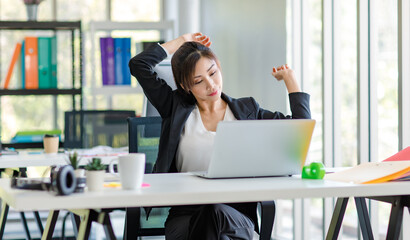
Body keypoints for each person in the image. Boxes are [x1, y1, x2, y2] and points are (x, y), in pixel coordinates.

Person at [129, 32, 311, 240]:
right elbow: (139, 65)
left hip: (236, 216)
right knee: (210, 218)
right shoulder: (175, 108)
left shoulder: (248, 110)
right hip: (186, 215)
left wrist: (290, 79)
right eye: (198, 81)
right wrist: (181, 42)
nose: (211, 85)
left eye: (213, 73)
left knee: (214, 212)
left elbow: (301, 129)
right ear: (184, 86)